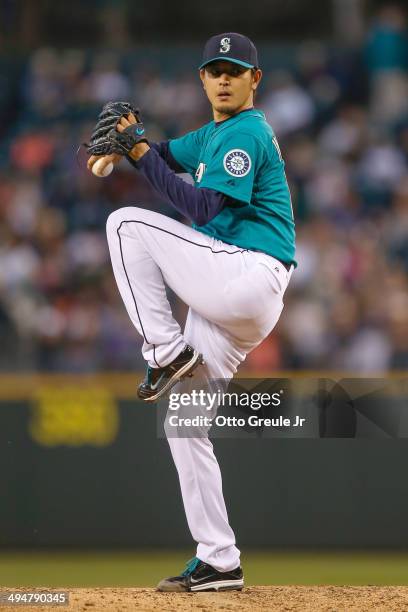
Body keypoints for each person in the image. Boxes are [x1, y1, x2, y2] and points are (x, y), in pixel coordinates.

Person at [87, 32, 296, 592]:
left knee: (126, 224)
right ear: (202, 79)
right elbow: (160, 157)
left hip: (249, 274)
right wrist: (130, 143)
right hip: (239, 299)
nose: (224, 78)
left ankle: (163, 350)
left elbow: (200, 205)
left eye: (235, 69)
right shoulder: (210, 135)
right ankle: (219, 559)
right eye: (214, 69)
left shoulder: (247, 132)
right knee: (184, 423)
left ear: (256, 79)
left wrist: (134, 152)